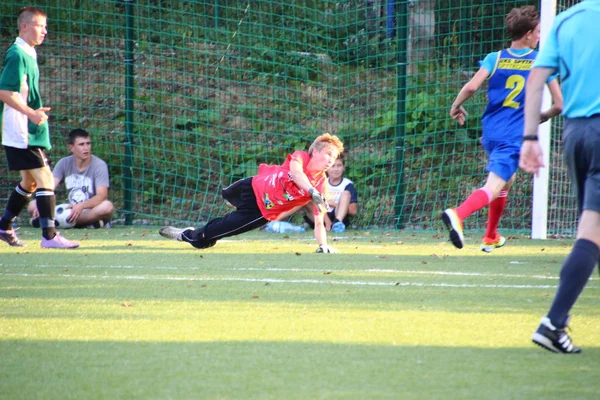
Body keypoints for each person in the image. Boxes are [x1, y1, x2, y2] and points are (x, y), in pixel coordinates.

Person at [441, 5, 562, 252]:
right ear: (528, 33)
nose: (540, 36)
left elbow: (472, 87)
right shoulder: (540, 62)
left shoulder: (494, 58)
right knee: (493, 185)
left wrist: (456, 105)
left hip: (491, 132)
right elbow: (559, 104)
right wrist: (542, 116)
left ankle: (491, 235)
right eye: (538, 31)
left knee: (508, 180)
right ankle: (458, 214)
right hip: (514, 136)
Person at [520, 0, 600, 354]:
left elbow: (536, 78)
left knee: (595, 232)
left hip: (575, 135)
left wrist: (530, 138)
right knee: (592, 231)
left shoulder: (566, 20)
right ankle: (553, 322)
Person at [159, 133, 344, 253]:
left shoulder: (321, 185)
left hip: (259, 211)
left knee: (212, 235)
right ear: (315, 152)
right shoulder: (301, 157)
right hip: (253, 185)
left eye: (334, 158)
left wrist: (323, 245)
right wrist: (310, 190)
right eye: (328, 154)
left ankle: (188, 235)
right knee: (227, 197)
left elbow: (319, 222)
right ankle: (234, 206)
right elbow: (297, 174)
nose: (330, 161)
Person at [0, 6, 78, 249]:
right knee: (45, 178)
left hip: (26, 129)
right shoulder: (17, 54)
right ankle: (50, 236)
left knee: (30, 183)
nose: (44, 31)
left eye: (45, 26)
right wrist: (31, 113)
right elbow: (4, 91)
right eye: (39, 26)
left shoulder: (29, 52)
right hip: (20, 130)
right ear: (24, 26)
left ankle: (4, 226)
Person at [28, 129, 114, 228]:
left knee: (107, 207)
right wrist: (42, 204)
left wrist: (82, 205)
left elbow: (101, 196)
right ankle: (86, 223)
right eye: (81, 144)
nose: (86, 148)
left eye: (88, 144)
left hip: (90, 209)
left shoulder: (99, 165)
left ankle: (54, 222)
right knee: (33, 205)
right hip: (70, 209)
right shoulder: (63, 163)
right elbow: (50, 187)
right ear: (71, 148)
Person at [303, 153, 358, 233]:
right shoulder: (321, 182)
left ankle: (337, 223)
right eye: (333, 166)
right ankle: (322, 225)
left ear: (343, 168)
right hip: (321, 216)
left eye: (339, 166)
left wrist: (333, 204)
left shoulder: (348, 184)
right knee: (309, 198)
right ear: (327, 168)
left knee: (346, 193)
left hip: (337, 214)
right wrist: (328, 222)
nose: (336, 169)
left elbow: (353, 212)